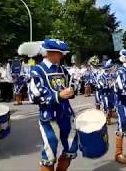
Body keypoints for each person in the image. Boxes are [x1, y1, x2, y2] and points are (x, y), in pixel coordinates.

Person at [29, 39, 78, 171]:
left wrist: (72, 89)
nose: (62, 56)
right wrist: (58, 96)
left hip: (66, 114)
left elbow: (70, 88)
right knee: (50, 152)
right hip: (49, 116)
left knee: (72, 146)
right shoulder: (37, 71)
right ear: (50, 53)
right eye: (60, 53)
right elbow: (33, 96)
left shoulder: (62, 69)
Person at [96, 59, 116, 125]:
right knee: (106, 107)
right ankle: (104, 119)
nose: (112, 69)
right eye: (111, 68)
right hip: (105, 95)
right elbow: (101, 87)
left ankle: (108, 119)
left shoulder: (112, 76)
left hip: (111, 94)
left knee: (111, 108)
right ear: (109, 69)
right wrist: (110, 85)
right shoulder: (102, 77)